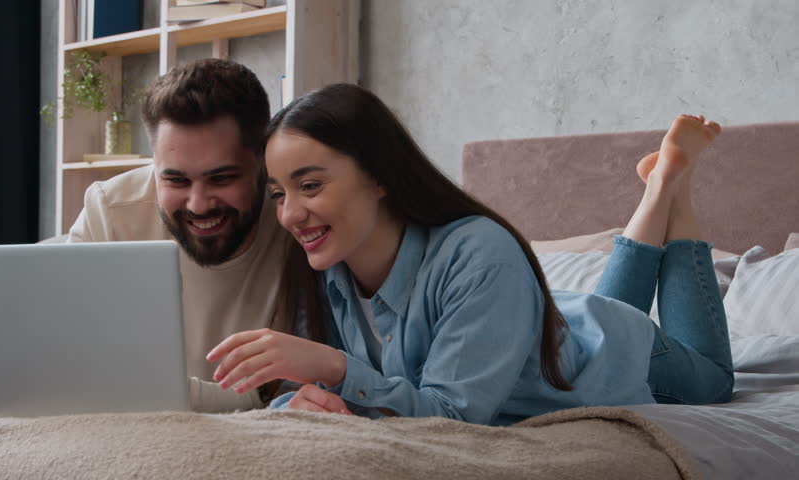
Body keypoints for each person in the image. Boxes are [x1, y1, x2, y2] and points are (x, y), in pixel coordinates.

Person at [205, 83, 734, 425]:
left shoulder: (481, 252)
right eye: (278, 195)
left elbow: (453, 418)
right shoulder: (326, 268)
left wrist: (336, 369)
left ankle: (674, 188)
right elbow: (327, 399)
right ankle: (662, 184)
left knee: (712, 380)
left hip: (610, 352)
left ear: (380, 177)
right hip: (550, 327)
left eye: (311, 186)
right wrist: (298, 403)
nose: (289, 215)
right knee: (603, 315)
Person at [67, 59, 317, 409]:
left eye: (222, 178)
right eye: (176, 180)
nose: (198, 205)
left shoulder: (298, 220)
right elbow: (67, 365)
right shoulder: (108, 211)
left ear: (262, 162)